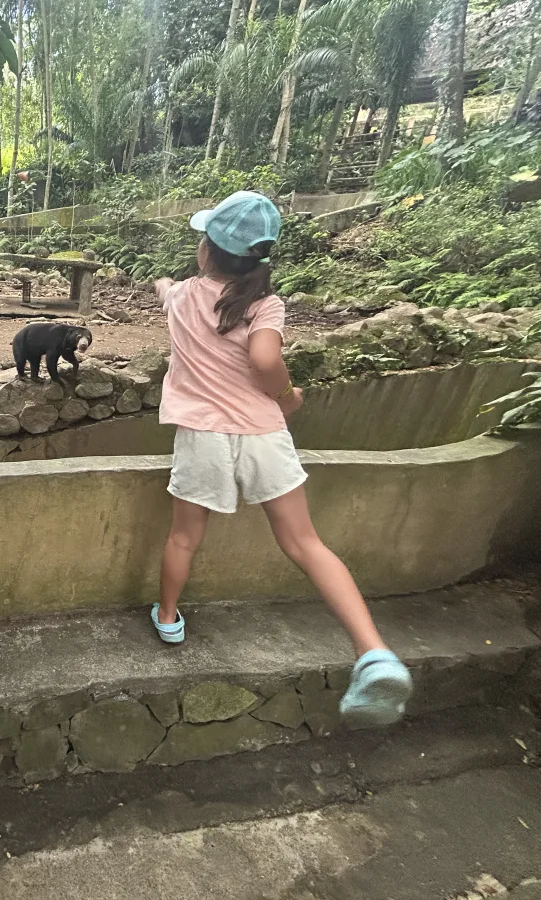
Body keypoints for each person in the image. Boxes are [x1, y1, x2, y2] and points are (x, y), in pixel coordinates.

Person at [151, 191, 413, 727]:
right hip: (264, 434)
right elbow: (266, 357)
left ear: (205, 251)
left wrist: (162, 286)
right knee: (305, 543)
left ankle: (169, 618)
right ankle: (373, 652)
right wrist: (286, 399)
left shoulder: (180, 297)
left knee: (183, 538)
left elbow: (170, 292)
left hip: (202, 436)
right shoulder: (265, 304)